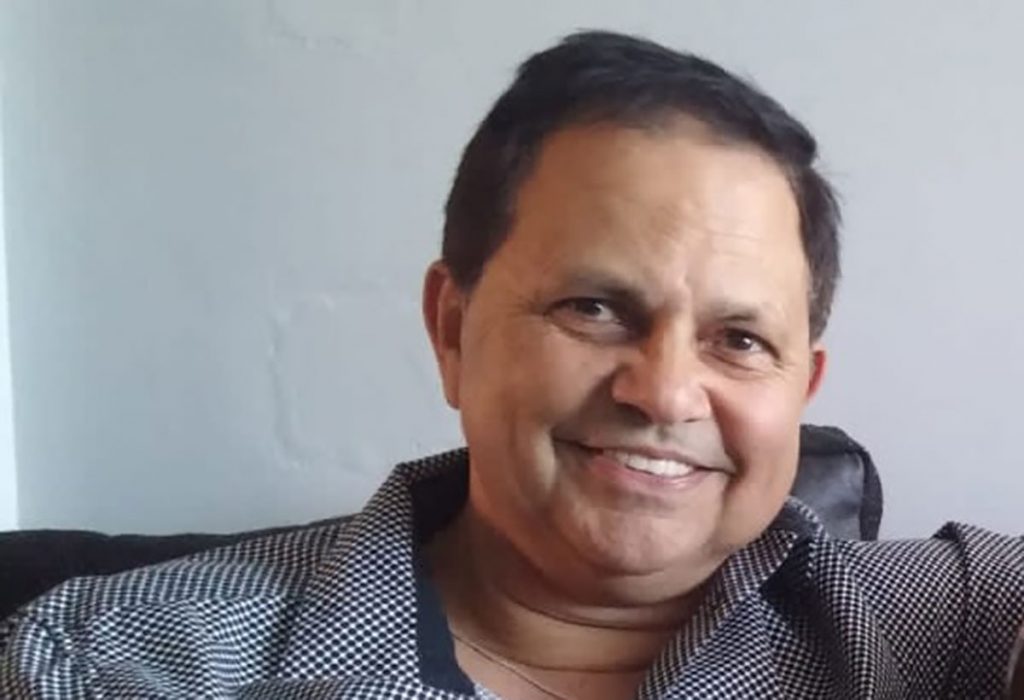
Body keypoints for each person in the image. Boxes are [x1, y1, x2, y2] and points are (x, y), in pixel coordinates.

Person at [1, 30, 1022, 700]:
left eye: (740, 340)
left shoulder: (947, 625)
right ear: (453, 329)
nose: (665, 391)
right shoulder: (119, 663)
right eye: (594, 308)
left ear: (801, 390)